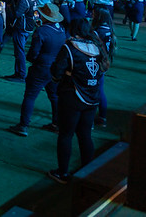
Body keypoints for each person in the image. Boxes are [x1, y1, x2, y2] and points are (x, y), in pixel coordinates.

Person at [47, 20, 110, 184]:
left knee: (66, 134)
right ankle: (88, 171)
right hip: (92, 97)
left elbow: (56, 72)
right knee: (85, 134)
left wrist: (61, 77)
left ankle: (63, 173)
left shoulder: (69, 47)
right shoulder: (97, 47)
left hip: (72, 96)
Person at [8, 3, 66, 137]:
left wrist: (33, 60)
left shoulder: (41, 31)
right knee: (54, 96)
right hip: (55, 68)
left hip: (41, 67)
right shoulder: (61, 30)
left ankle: (23, 125)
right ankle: (56, 123)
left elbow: (33, 53)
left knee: (30, 96)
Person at [6, 0, 38, 82]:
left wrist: (11, 6)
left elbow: (17, 14)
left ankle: (21, 74)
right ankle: (18, 73)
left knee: (19, 51)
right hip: (28, 26)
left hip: (21, 27)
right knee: (20, 50)